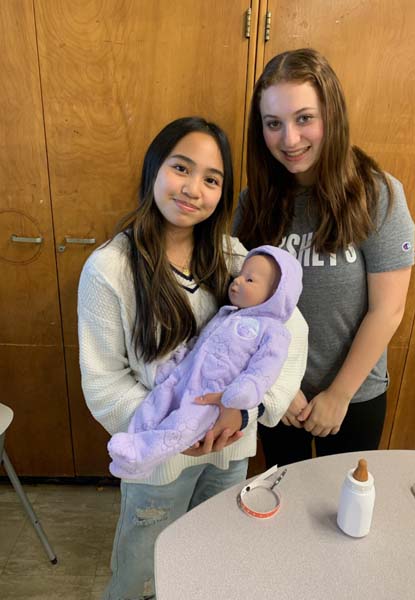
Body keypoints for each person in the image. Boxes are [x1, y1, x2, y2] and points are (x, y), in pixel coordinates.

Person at [78, 116, 308, 600]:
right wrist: (173, 430)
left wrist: (248, 409)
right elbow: (104, 383)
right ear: (154, 169)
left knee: (211, 560)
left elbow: (291, 334)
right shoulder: (109, 269)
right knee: (140, 570)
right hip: (160, 461)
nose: (193, 189)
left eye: (212, 179)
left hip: (230, 453)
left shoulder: (233, 256)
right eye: (181, 168)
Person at [234, 48, 415, 467]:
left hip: (354, 394)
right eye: (273, 124)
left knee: (340, 510)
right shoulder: (254, 202)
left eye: (304, 118)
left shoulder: (377, 194)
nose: (290, 140)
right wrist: (279, 384)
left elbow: (388, 310)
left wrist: (338, 395)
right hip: (277, 391)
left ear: (330, 116)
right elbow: (244, 305)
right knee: (283, 500)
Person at [107, 245, 304, 478]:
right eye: (239, 275)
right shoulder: (226, 314)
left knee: (181, 427)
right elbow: (201, 343)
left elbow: (266, 368)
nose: (237, 281)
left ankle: (142, 456)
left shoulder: (273, 331)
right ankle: (131, 443)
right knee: (154, 403)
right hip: (183, 376)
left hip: (212, 396)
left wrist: (246, 391)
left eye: (249, 280)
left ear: (276, 295)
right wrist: (181, 357)